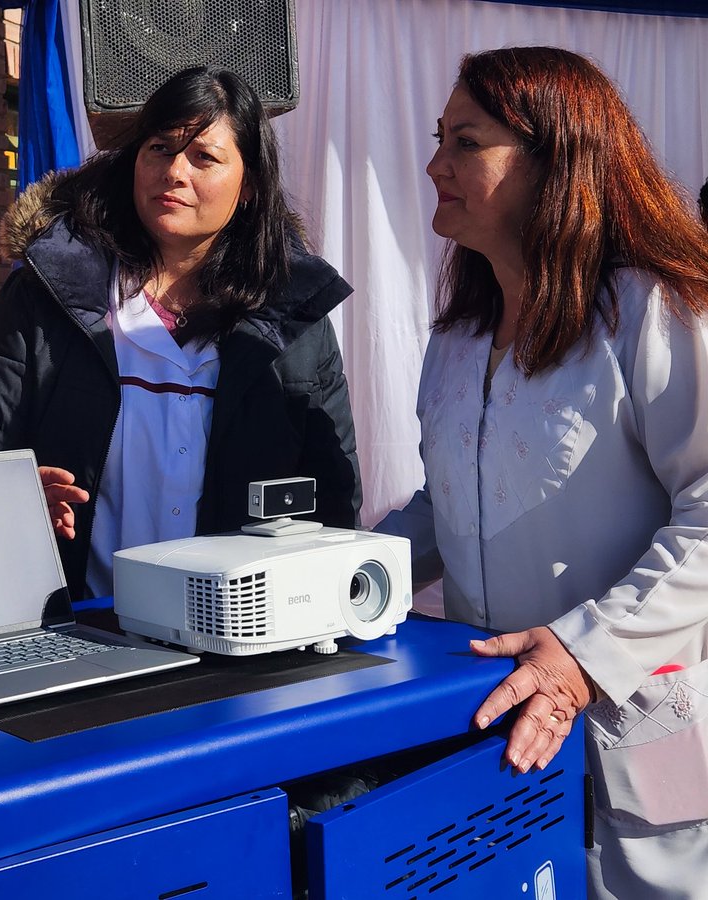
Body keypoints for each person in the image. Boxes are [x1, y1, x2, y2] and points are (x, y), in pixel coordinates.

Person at [378, 47, 708, 899]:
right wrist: (332, 580)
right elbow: (443, 508)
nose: (434, 164)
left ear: (554, 160)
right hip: (493, 730)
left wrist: (581, 655)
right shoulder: (456, 340)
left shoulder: (653, 309)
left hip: (647, 724)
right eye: (438, 137)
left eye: (466, 142)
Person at [0, 66, 362, 599]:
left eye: (204, 156)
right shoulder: (45, 295)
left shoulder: (297, 316)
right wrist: (10, 501)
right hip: (77, 630)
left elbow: (332, 497)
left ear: (249, 184)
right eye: (160, 148)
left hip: (242, 636)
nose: (175, 171)